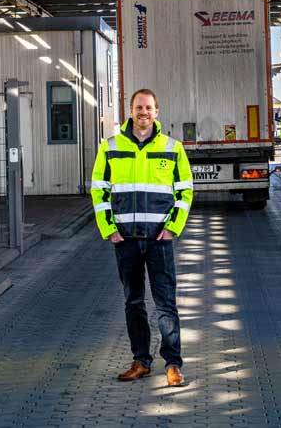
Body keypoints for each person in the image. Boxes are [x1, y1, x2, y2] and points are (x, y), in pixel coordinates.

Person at [90, 89, 194, 387]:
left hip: (160, 239)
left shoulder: (172, 148)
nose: (143, 112)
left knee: (165, 304)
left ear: (157, 111)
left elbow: (185, 191)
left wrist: (173, 227)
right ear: (131, 111)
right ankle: (141, 361)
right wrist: (108, 227)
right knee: (133, 302)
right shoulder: (109, 147)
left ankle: (173, 364)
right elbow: (99, 189)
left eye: (148, 107)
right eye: (139, 107)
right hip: (126, 240)